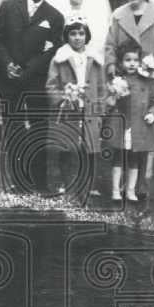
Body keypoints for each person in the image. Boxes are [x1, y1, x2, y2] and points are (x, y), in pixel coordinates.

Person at [0, 0, 64, 193]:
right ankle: (16, 179)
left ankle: (38, 182)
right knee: (13, 127)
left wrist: (29, 69)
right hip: (8, 79)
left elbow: (52, 51)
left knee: (39, 130)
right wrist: (6, 63)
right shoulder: (9, 7)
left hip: (36, 82)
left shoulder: (54, 16)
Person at [104, 0, 154, 198]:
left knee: (143, 136)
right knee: (121, 136)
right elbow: (110, 46)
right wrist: (112, 67)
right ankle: (118, 186)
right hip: (124, 83)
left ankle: (139, 185)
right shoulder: (118, 15)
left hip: (147, 84)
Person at [45, 19, 105, 198]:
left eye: (81, 34)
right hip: (68, 110)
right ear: (66, 36)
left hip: (88, 110)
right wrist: (64, 96)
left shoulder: (94, 59)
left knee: (87, 149)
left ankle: (84, 186)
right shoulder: (59, 59)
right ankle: (66, 183)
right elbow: (51, 85)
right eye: (73, 34)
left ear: (87, 36)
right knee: (67, 148)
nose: (77, 38)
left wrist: (100, 112)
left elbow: (102, 88)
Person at [103, 44, 154, 204]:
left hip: (139, 126)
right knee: (118, 157)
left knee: (134, 158)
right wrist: (112, 99)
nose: (131, 63)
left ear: (140, 62)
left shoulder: (147, 80)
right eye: (127, 60)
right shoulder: (117, 80)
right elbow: (108, 101)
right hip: (120, 124)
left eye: (135, 60)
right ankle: (116, 189)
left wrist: (152, 113)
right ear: (120, 62)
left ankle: (130, 190)